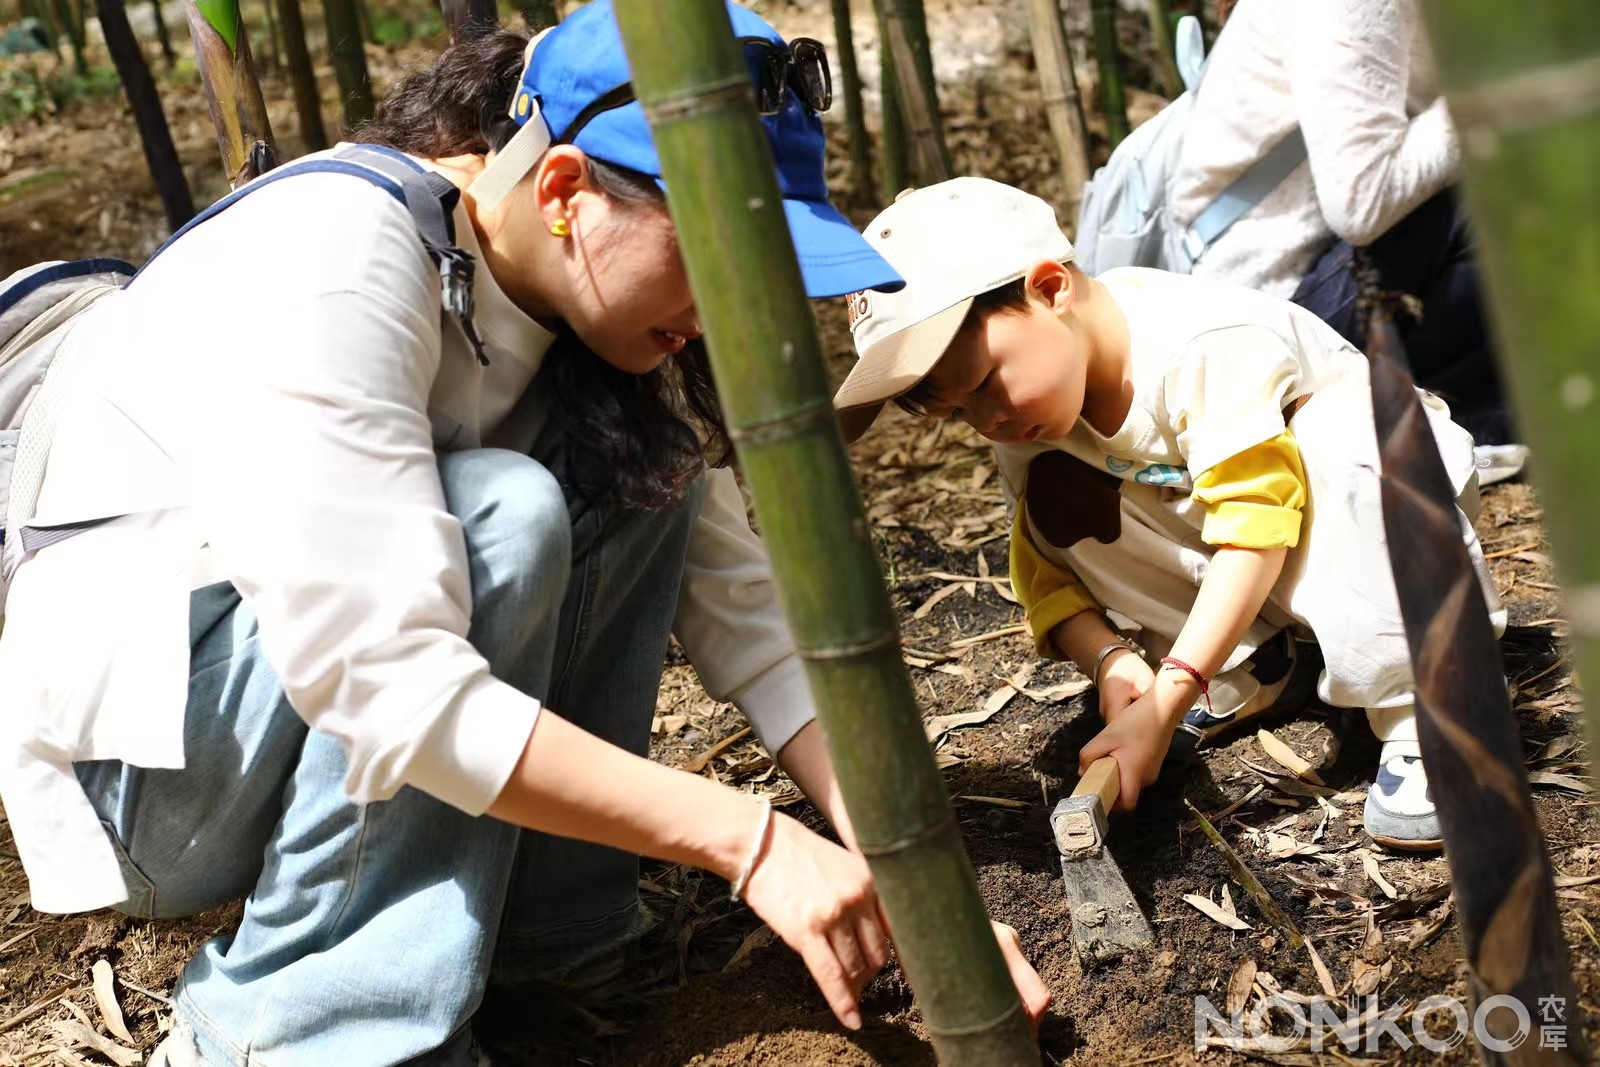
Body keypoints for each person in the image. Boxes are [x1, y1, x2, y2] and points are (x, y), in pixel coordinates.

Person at [0, 7, 1049, 1064]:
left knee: (647, 478)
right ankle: (303, 1029)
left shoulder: (575, 315)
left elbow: (759, 629)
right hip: (153, 777)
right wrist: (756, 842)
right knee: (502, 514)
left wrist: (920, 879)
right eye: (712, 258)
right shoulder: (342, 252)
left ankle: (540, 943)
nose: (728, 309)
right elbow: (385, 683)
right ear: (562, 192)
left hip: (278, 715)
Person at [833, 178, 1506, 852]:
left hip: (1382, 517)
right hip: (1265, 560)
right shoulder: (1033, 423)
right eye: (960, 413)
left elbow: (1255, 521)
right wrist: (1110, 661)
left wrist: (1172, 692)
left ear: (1050, 289)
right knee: (1057, 494)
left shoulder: (1200, 344)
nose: (989, 421)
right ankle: (1254, 663)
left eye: (984, 383)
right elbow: (1046, 574)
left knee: (1339, 433)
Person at [1166, 0, 1525, 483]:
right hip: (1267, 318)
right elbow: (1362, 203)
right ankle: (1461, 424)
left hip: (1322, 271)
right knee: (1498, 181)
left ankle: (1469, 416)